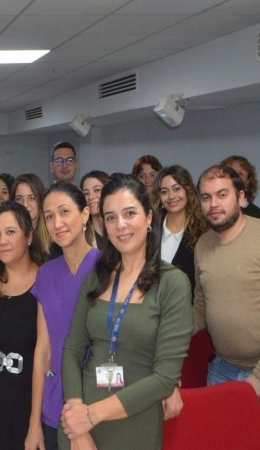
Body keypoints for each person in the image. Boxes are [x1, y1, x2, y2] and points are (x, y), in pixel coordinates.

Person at [60, 173, 193, 450]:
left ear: (148, 217)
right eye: (110, 217)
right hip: (80, 420)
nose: (120, 225)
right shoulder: (97, 277)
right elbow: (72, 349)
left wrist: (91, 415)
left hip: (134, 419)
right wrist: (75, 417)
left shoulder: (172, 283)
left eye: (129, 213)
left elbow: (165, 378)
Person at [28, 183, 100, 450]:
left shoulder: (109, 268)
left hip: (98, 401)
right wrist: (34, 422)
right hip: (54, 403)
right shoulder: (46, 273)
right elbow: (43, 350)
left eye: (64, 212)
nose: (57, 223)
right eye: (49, 216)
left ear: (85, 214)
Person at [0, 201, 42, 449]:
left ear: (29, 236)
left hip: (29, 406)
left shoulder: (46, 280)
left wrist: (35, 423)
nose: (2, 241)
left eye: (10, 232)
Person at [194, 165, 260, 396]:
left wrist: (257, 377)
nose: (213, 204)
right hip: (222, 368)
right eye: (206, 197)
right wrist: (168, 334)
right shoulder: (202, 244)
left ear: (241, 197)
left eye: (222, 194)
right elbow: (200, 306)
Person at [152, 166, 207, 290]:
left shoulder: (202, 231)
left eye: (177, 189)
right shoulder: (150, 228)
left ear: (188, 190)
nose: (171, 196)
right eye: (164, 192)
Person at [11, 173, 54, 261]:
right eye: (19, 198)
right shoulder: (8, 237)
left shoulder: (54, 236)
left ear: (41, 200)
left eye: (32, 197)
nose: (25, 204)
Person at [81, 170, 110, 249]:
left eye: (97, 190)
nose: (91, 197)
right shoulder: (81, 236)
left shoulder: (120, 228)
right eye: (86, 193)